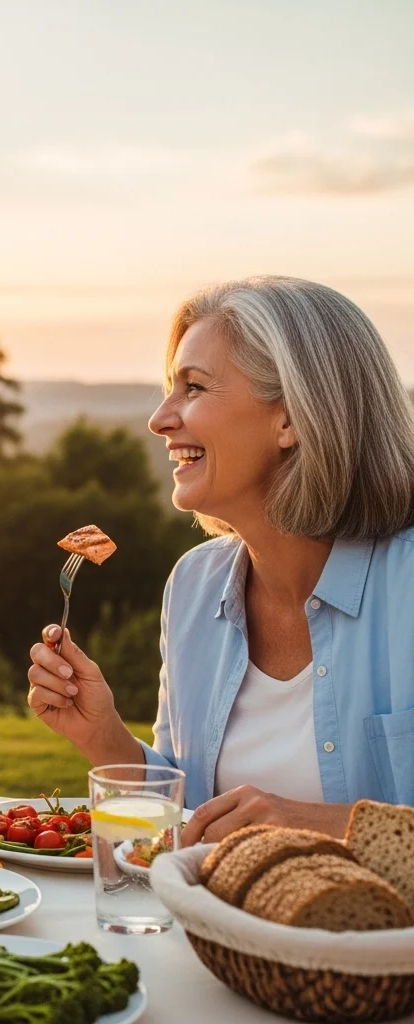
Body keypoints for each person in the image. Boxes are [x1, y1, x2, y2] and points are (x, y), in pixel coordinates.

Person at [27, 276, 414, 844]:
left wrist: (312, 825)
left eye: (195, 388)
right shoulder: (194, 585)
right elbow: (187, 817)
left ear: (291, 419)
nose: (160, 419)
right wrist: (102, 734)